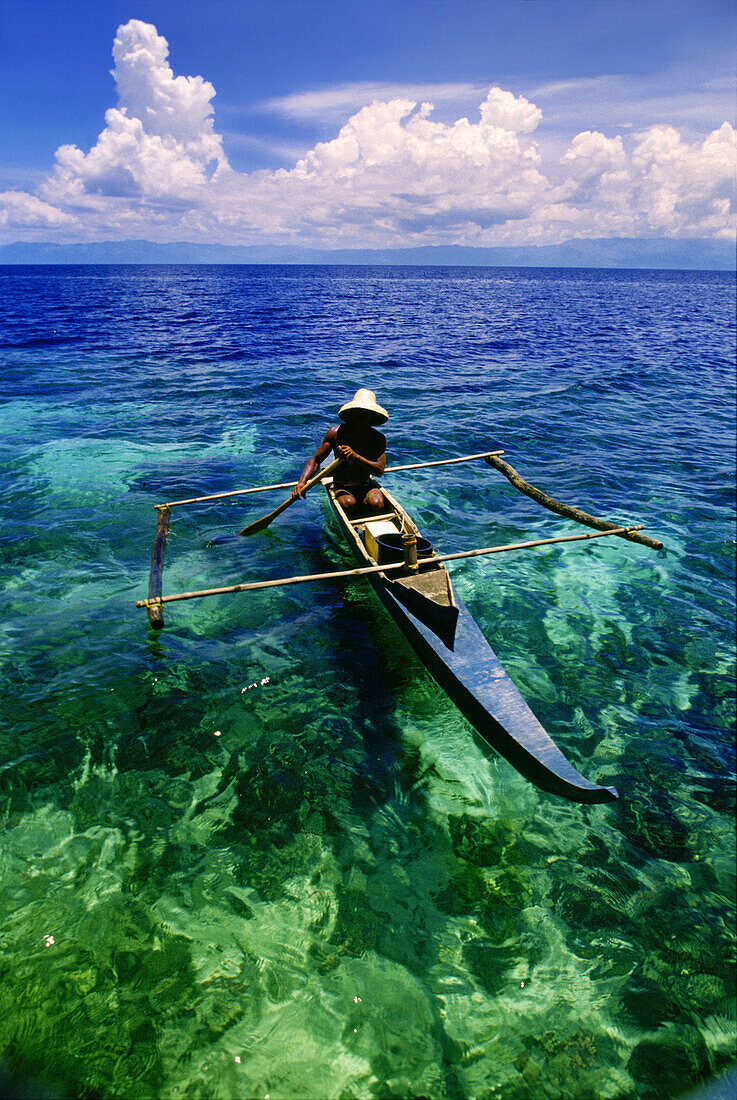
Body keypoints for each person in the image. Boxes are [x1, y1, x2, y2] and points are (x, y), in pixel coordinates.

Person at [290, 388, 388, 516]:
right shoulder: (335, 433)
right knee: (348, 503)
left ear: (371, 418)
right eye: (357, 414)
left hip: (365, 484)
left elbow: (379, 470)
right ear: (351, 414)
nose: (360, 419)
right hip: (342, 485)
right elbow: (316, 460)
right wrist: (302, 482)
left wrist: (356, 457)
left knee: (377, 503)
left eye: (364, 415)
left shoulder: (377, 438)